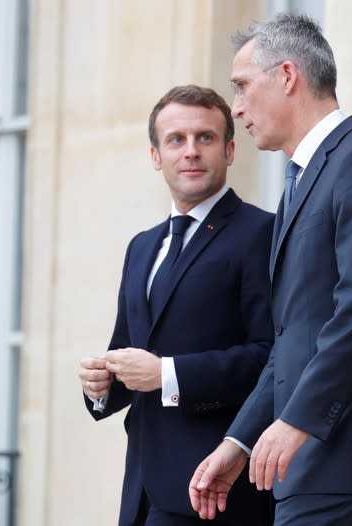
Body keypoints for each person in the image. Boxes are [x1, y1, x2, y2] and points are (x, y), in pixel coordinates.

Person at [188, 14, 352, 526]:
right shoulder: (303, 179)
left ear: (287, 76)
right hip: (316, 464)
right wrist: (239, 440)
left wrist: (297, 420)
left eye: (242, 87)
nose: (237, 108)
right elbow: (293, 339)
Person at [78, 85, 275, 526]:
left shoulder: (261, 233)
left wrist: (167, 374)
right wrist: (101, 385)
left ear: (229, 150)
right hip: (142, 488)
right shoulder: (142, 247)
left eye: (205, 138)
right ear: (155, 155)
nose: (191, 152)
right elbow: (130, 350)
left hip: (215, 488)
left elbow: (272, 356)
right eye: (176, 140)